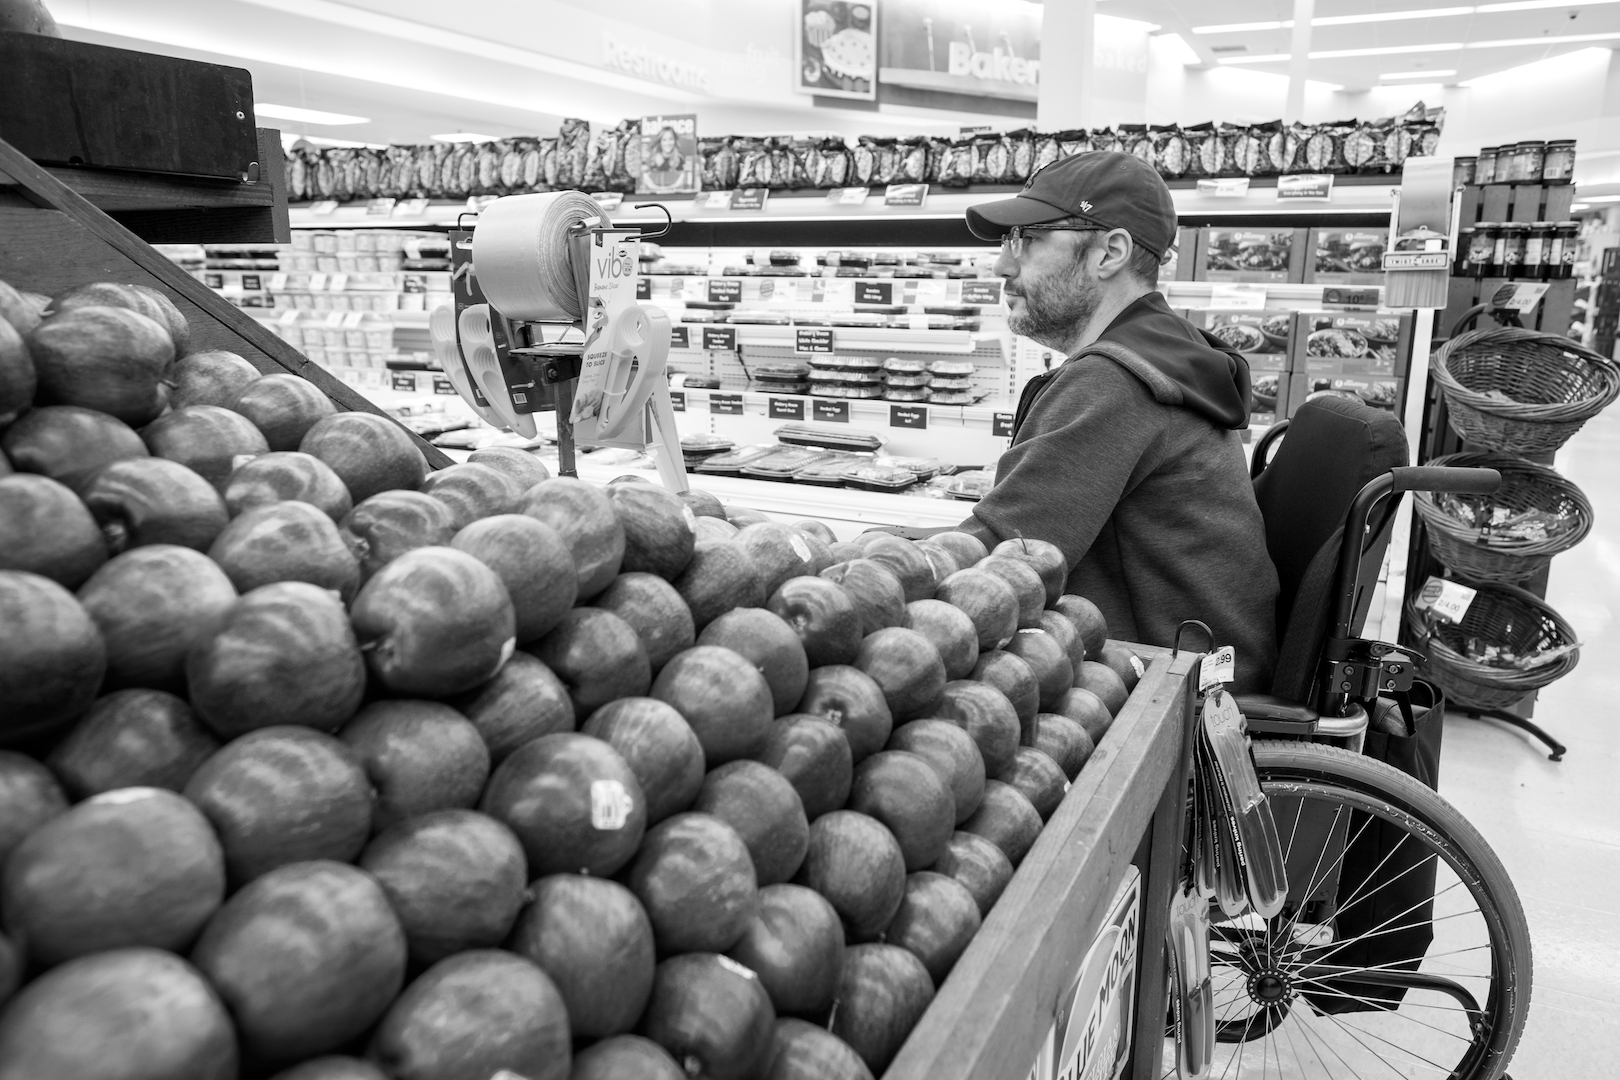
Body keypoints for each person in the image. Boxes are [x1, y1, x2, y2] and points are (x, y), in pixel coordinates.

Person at [956, 151, 1279, 692]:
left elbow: (998, 564)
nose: (1002, 266)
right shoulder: (1165, 355)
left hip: (1164, 698)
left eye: (1028, 238)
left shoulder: (1116, 383)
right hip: (1197, 669)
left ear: (1110, 251)